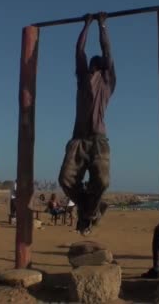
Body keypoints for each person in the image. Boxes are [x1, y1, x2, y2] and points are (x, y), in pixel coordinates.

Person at [58, 12, 116, 236]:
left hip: (98, 140)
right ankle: (90, 210)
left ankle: (88, 214)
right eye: (91, 66)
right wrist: (86, 24)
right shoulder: (82, 80)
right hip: (78, 139)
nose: (93, 68)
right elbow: (79, 51)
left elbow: (107, 52)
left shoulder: (107, 82)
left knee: (101, 180)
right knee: (65, 179)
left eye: (97, 66)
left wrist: (102, 25)